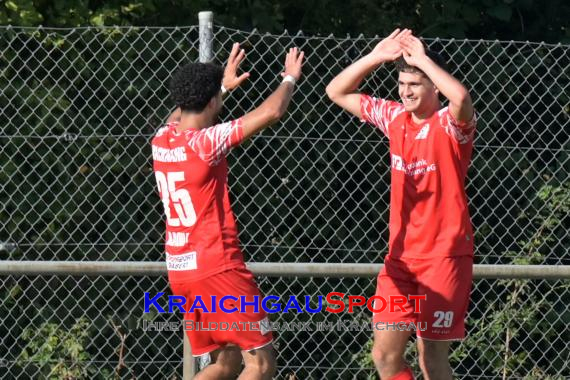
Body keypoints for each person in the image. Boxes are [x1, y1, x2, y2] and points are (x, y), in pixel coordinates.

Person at [326, 29, 476, 380]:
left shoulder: (450, 124)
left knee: (431, 360)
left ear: (434, 87)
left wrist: (422, 59)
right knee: (384, 355)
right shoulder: (395, 118)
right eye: (401, 83)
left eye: (415, 84)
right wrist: (376, 56)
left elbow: (462, 97)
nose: (405, 92)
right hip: (400, 262)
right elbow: (336, 90)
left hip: (443, 258)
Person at [152, 43, 304, 380]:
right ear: (211, 103)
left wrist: (220, 87)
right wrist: (290, 78)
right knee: (261, 364)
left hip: (181, 272)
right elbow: (271, 112)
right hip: (217, 268)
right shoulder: (205, 142)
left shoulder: (162, 139)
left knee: (225, 364)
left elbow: (177, 114)